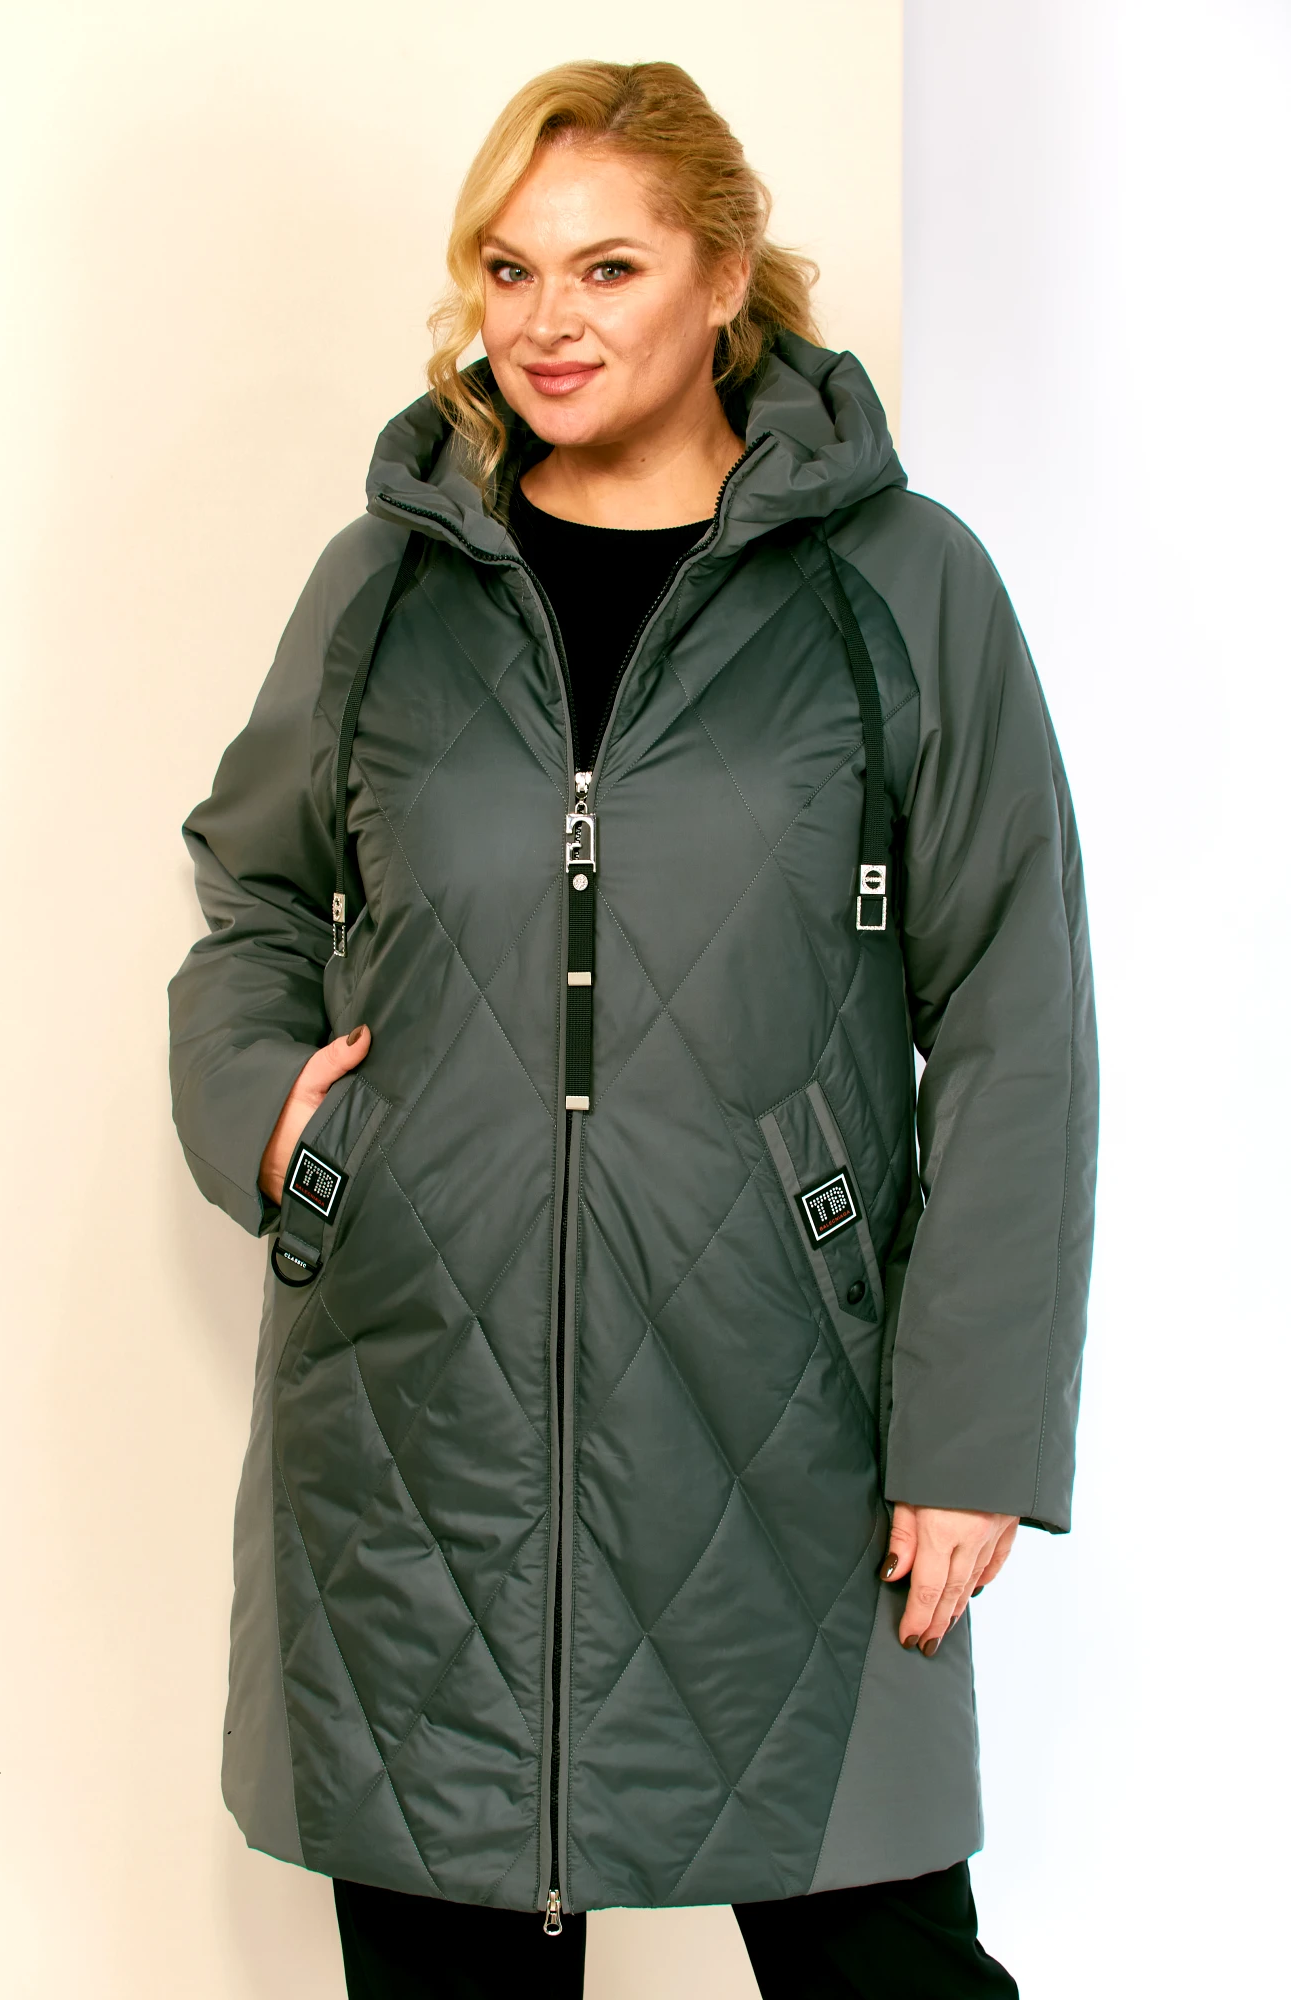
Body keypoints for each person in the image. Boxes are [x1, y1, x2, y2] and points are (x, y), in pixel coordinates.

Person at [168, 59, 1096, 2000]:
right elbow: (251, 889)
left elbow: (1015, 1007)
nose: (548, 321)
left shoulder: (899, 589)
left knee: (890, 1972)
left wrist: (974, 1434)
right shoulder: (385, 588)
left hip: (789, 1431)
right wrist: (275, 1123)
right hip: (421, 1438)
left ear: (725, 277)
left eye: (608, 268)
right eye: (511, 269)